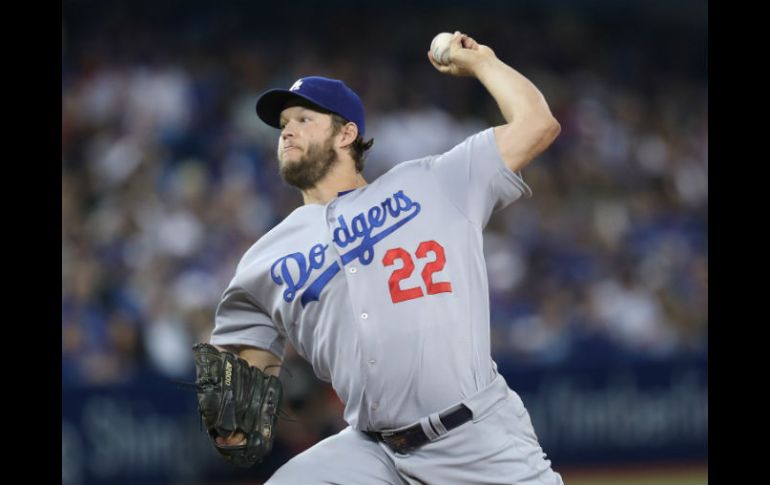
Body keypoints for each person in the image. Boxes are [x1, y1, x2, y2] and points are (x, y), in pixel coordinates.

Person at [207, 31, 563, 484]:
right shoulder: (264, 258)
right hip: (371, 452)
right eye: (282, 125)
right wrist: (232, 415)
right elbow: (242, 374)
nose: (288, 131)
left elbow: (537, 123)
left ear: (347, 133)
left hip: (474, 437)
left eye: (302, 118)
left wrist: (482, 63)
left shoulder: (433, 182)